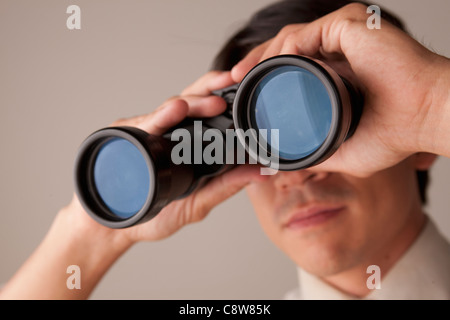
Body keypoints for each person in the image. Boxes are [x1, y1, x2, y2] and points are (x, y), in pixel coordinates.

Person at [1, 0, 449, 299]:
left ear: (418, 150)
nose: (293, 174)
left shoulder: (428, 113)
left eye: (309, 134)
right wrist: (94, 235)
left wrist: (431, 106)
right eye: (259, 143)